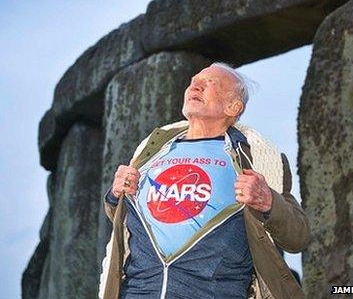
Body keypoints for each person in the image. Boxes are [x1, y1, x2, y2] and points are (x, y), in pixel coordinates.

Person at [98, 62, 310, 299]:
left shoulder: (258, 158)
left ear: (233, 106)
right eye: (193, 82)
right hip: (137, 292)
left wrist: (268, 201)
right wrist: (115, 195)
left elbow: (298, 236)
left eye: (209, 84)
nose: (194, 86)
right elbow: (129, 219)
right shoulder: (152, 149)